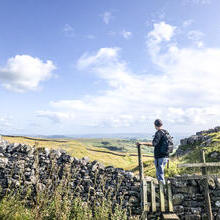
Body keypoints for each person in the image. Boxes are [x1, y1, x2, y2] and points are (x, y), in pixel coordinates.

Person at [136, 119, 170, 185]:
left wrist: (142, 143)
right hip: (166, 156)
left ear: (155, 125)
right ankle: (162, 187)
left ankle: (162, 190)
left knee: (159, 174)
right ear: (161, 124)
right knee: (161, 173)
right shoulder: (165, 132)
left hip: (159, 156)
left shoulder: (158, 133)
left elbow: (154, 143)